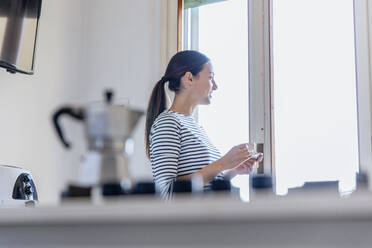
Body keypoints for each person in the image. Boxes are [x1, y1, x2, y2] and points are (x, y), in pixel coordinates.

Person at [145, 50, 263, 199]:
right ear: (189, 78)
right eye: (211, 78)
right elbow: (165, 194)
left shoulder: (195, 127)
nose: (215, 86)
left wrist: (232, 171)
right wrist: (223, 163)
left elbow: (203, 185)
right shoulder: (167, 123)